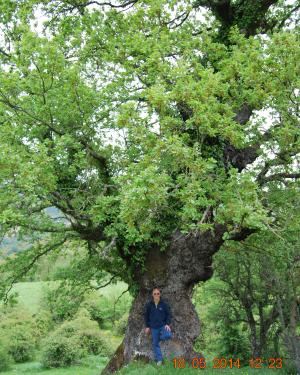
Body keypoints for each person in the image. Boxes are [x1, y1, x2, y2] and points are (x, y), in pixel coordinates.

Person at [144, 286, 172, 366]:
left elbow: (168, 314)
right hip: (153, 328)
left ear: (160, 294)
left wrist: (167, 324)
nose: (156, 295)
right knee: (155, 344)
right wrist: (147, 326)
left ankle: (159, 338)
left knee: (168, 335)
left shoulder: (164, 304)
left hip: (163, 326)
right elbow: (146, 316)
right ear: (152, 295)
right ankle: (159, 360)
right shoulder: (149, 305)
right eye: (154, 293)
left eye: (158, 293)